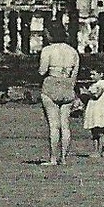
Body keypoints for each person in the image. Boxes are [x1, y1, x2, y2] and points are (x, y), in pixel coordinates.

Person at [37, 18, 80, 166]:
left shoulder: (47, 50)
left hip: (51, 85)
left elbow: (42, 71)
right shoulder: (73, 52)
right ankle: (64, 158)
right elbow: (74, 76)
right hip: (67, 86)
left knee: (54, 125)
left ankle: (53, 158)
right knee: (65, 125)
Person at [81, 68, 104, 157]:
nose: (91, 77)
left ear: (101, 74)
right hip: (93, 108)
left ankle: (100, 151)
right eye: (91, 74)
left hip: (101, 108)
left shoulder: (103, 83)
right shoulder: (92, 85)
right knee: (94, 130)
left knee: (100, 130)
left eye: (94, 74)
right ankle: (95, 151)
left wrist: (86, 92)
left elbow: (96, 95)